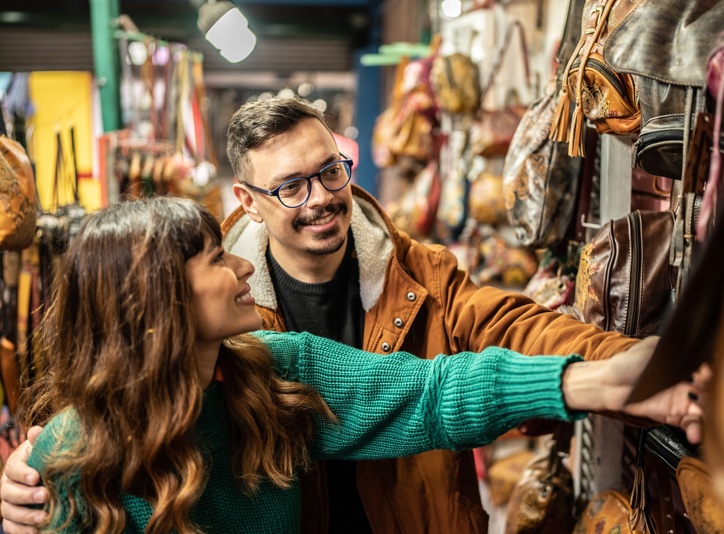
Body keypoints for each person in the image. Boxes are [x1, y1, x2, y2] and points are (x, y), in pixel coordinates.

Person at [0, 96, 675, 533]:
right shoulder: (78, 455)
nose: (321, 197)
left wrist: (612, 371)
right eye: (292, 186)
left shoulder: (280, 365)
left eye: (332, 172)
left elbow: (442, 387)